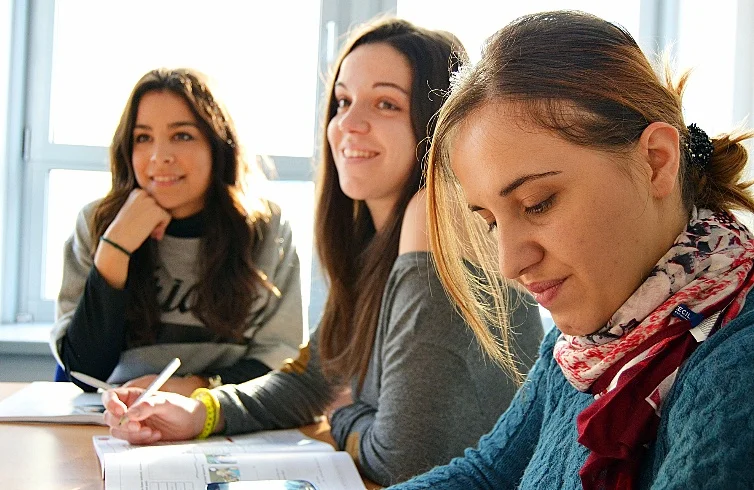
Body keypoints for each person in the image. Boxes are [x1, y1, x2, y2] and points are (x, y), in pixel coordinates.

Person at [100, 18, 543, 487]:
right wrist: (199, 413)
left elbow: (402, 459)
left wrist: (345, 415)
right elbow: (314, 380)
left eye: (386, 103)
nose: (348, 124)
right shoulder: (373, 241)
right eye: (343, 101)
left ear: (436, 124)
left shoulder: (433, 213)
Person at [389, 10, 754, 490]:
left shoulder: (735, 369)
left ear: (656, 162)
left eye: (537, 204)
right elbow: (486, 475)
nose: (509, 264)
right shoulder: (586, 342)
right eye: (492, 223)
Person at [51, 68, 305, 397]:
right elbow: (84, 373)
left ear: (218, 145)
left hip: (227, 416)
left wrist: (194, 388)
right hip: (115, 418)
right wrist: (114, 249)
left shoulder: (266, 229)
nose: (159, 157)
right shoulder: (97, 222)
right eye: (143, 138)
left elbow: (279, 359)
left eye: (182, 136)